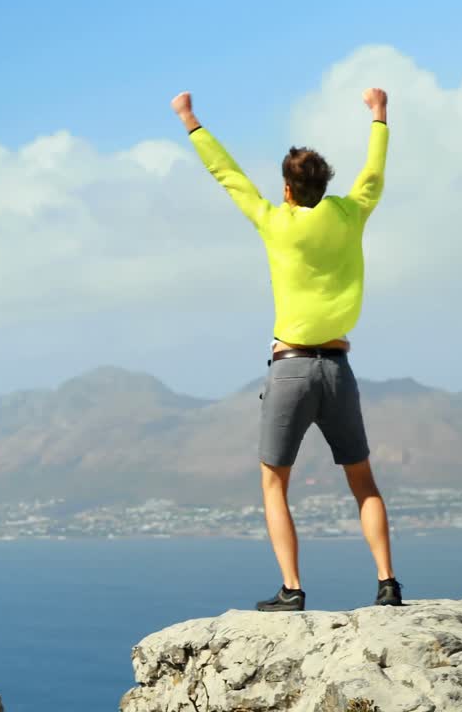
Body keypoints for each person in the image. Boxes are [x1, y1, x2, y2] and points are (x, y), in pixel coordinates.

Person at [171, 87, 402, 611]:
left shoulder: (275, 222)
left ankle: (292, 590)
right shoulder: (350, 214)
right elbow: (375, 172)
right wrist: (379, 115)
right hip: (339, 368)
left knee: (274, 483)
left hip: (291, 368)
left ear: (288, 189)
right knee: (362, 480)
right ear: (326, 184)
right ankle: (388, 584)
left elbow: (226, 175)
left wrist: (190, 121)